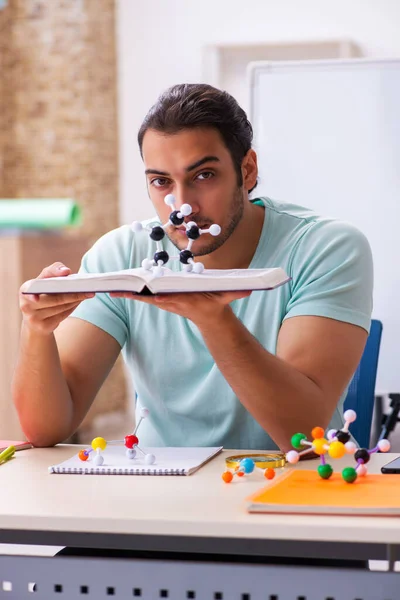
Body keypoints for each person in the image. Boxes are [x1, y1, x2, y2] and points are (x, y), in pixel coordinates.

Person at [13, 83, 372, 452]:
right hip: (163, 489)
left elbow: (304, 435)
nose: (181, 204)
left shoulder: (326, 248)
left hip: (290, 485)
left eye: (204, 176)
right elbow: (45, 430)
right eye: (161, 181)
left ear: (247, 171)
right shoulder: (120, 255)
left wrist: (214, 319)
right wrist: (37, 331)